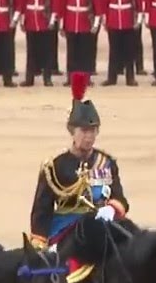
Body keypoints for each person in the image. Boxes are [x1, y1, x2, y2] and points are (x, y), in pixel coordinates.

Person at [29, 73, 129, 252]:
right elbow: (41, 212)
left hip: (103, 227)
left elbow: (120, 198)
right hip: (67, 231)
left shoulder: (106, 163)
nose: (89, 136)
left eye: (93, 130)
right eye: (83, 130)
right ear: (71, 131)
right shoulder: (54, 167)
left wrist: (112, 209)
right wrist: (41, 243)